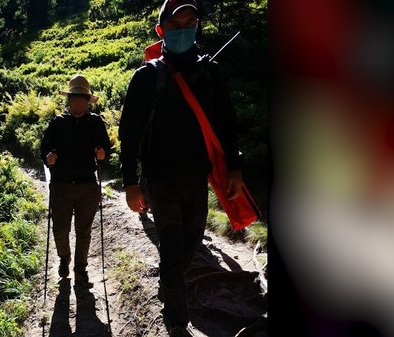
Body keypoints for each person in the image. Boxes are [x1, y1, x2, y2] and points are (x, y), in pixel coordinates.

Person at [119, 1, 243, 336]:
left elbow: (227, 123)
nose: (184, 30)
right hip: (159, 179)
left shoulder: (210, 73)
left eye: (190, 22)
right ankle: (176, 319)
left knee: (191, 241)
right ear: (161, 32)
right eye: (175, 25)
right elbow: (128, 133)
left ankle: (169, 282)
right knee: (173, 245)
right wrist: (130, 182)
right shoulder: (146, 77)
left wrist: (234, 167)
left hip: (197, 177)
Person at [40, 74, 111, 289]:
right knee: (60, 230)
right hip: (61, 185)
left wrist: (102, 153)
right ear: (69, 100)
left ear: (88, 100)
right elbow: (44, 148)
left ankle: (80, 270)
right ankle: (64, 259)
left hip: (87, 185)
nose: (78, 101)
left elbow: (106, 148)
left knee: (83, 231)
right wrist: (47, 157)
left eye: (82, 98)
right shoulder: (58, 123)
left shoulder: (96, 123)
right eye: (75, 97)